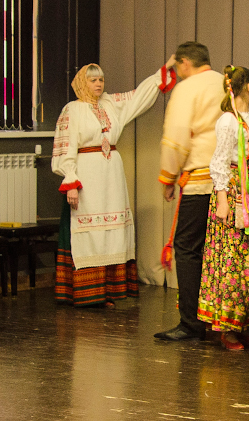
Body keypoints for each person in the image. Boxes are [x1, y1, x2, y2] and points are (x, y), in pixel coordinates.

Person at [51, 57, 174, 308]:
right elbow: (65, 146)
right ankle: (87, 292)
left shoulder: (110, 103)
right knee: (88, 228)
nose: (98, 84)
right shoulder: (72, 110)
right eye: (93, 80)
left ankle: (109, 290)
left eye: (101, 79)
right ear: (82, 83)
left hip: (111, 174)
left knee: (112, 227)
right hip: (87, 174)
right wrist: (71, 180)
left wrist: (164, 71)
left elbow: (137, 97)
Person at [155, 42, 226, 341]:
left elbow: (177, 137)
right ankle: (220, 319)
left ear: (184, 63)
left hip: (199, 180)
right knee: (220, 253)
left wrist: (168, 177)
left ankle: (191, 323)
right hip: (229, 183)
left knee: (187, 249)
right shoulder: (225, 82)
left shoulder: (187, 88)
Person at [201, 65, 249, 350]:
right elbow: (219, 162)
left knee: (245, 260)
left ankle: (243, 322)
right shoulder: (229, 121)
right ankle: (226, 326)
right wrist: (223, 200)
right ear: (248, 87)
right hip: (233, 190)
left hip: (248, 188)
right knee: (230, 258)